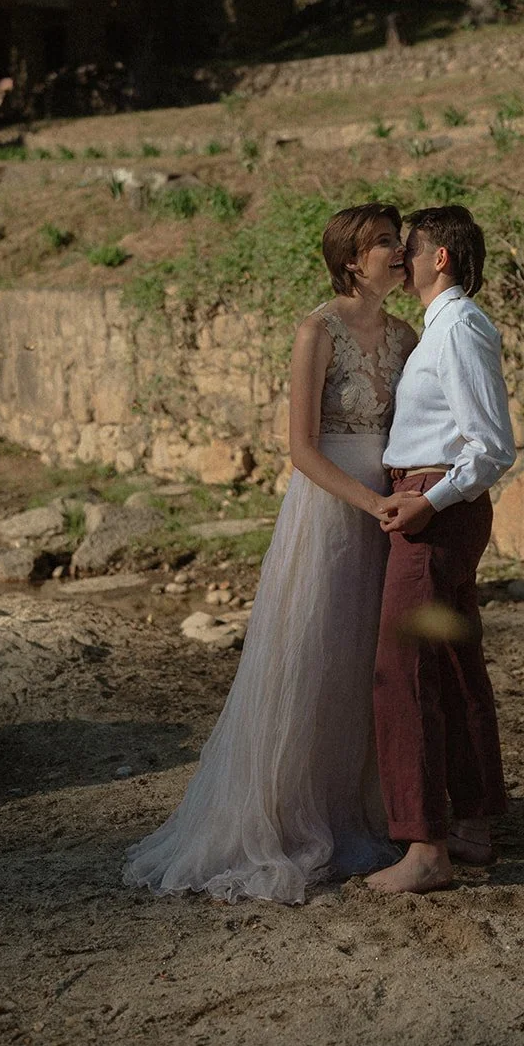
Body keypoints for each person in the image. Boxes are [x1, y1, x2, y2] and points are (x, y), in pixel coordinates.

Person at [123, 203, 417, 903]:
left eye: (399, 242)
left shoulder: (408, 335)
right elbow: (301, 449)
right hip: (329, 512)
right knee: (311, 654)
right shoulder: (317, 331)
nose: (399, 252)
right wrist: (367, 500)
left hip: (392, 509)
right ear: (352, 259)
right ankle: (289, 817)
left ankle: (370, 810)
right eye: (384, 243)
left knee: (368, 662)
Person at [364, 205, 516, 896]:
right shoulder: (446, 329)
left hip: (436, 512)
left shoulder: (458, 330)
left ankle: (424, 847)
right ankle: (476, 822)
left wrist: (428, 502)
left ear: (441, 258)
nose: (404, 258)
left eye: (412, 248)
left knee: (404, 674)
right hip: (437, 507)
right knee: (453, 665)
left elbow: (492, 448)